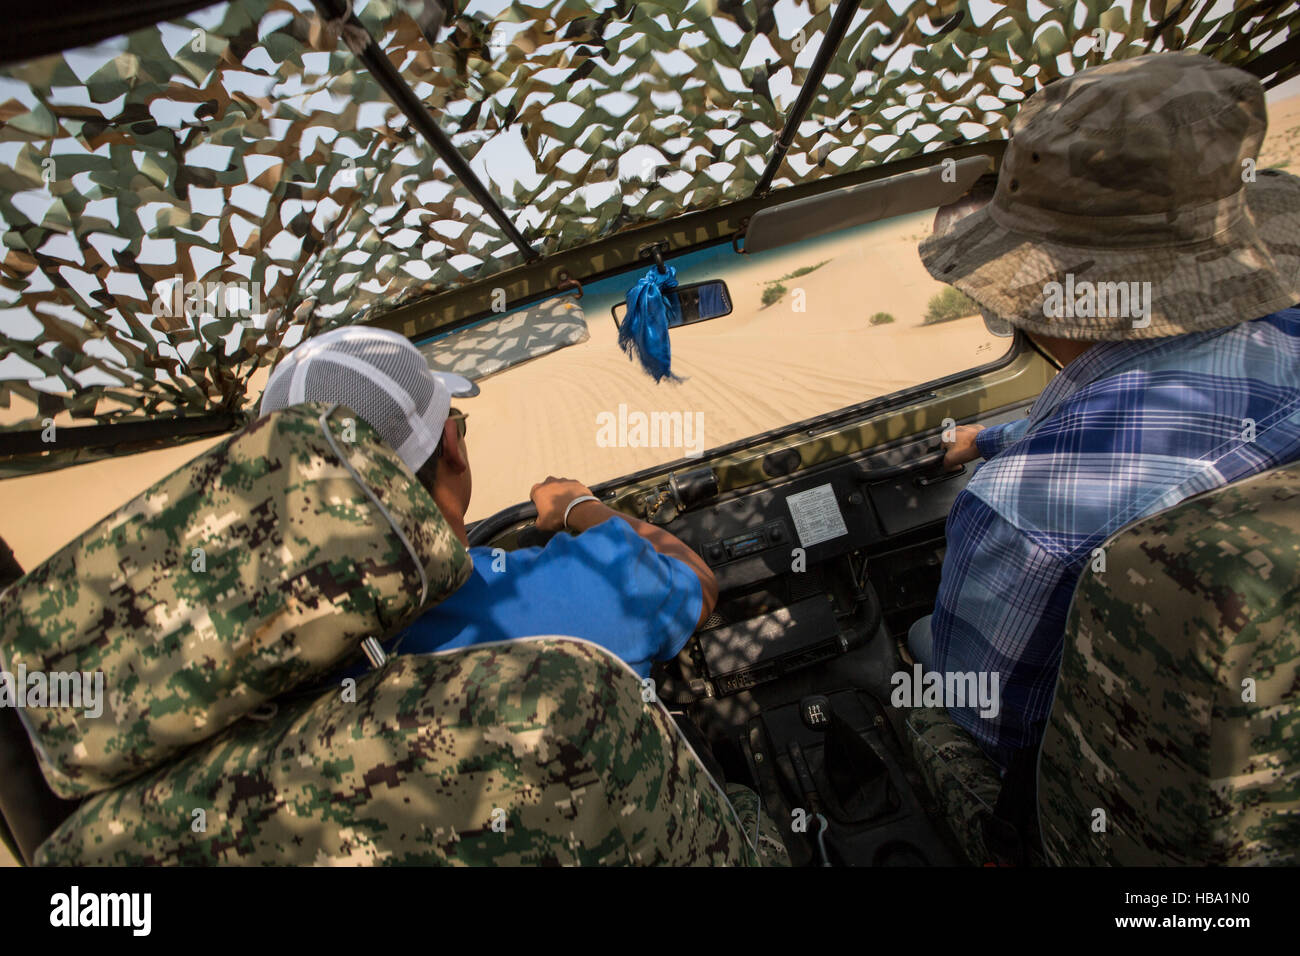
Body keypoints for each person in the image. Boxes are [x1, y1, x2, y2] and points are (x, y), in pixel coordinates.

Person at [908, 51, 1300, 770]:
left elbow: (991, 721)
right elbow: (1193, 417)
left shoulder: (1028, 514)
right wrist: (995, 437)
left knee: (921, 648)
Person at [259, 325, 717, 677]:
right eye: (457, 421)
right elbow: (698, 584)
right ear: (452, 445)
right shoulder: (581, 590)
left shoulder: (255, 665)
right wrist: (580, 506)